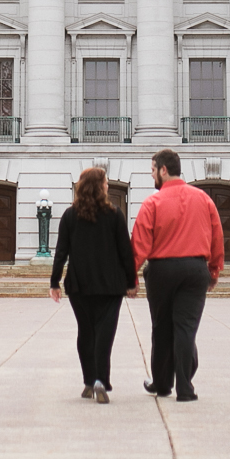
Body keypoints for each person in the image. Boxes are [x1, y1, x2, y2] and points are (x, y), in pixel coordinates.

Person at [128, 148, 223, 403]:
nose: (152, 177)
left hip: (162, 270)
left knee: (161, 328)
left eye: (152, 171)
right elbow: (216, 237)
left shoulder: (152, 202)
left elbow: (139, 244)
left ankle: (161, 384)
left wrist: (131, 278)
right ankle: (185, 386)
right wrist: (213, 270)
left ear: (163, 170)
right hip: (195, 270)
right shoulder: (204, 199)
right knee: (186, 328)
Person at [49, 166, 135, 404]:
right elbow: (125, 251)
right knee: (104, 335)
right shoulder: (115, 214)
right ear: (98, 186)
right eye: (106, 182)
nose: (108, 185)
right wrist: (131, 281)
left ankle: (89, 380)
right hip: (110, 286)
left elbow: (61, 252)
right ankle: (100, 381)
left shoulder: (69, 215)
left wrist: (54, 282)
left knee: (86, 333)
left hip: (80, 285)